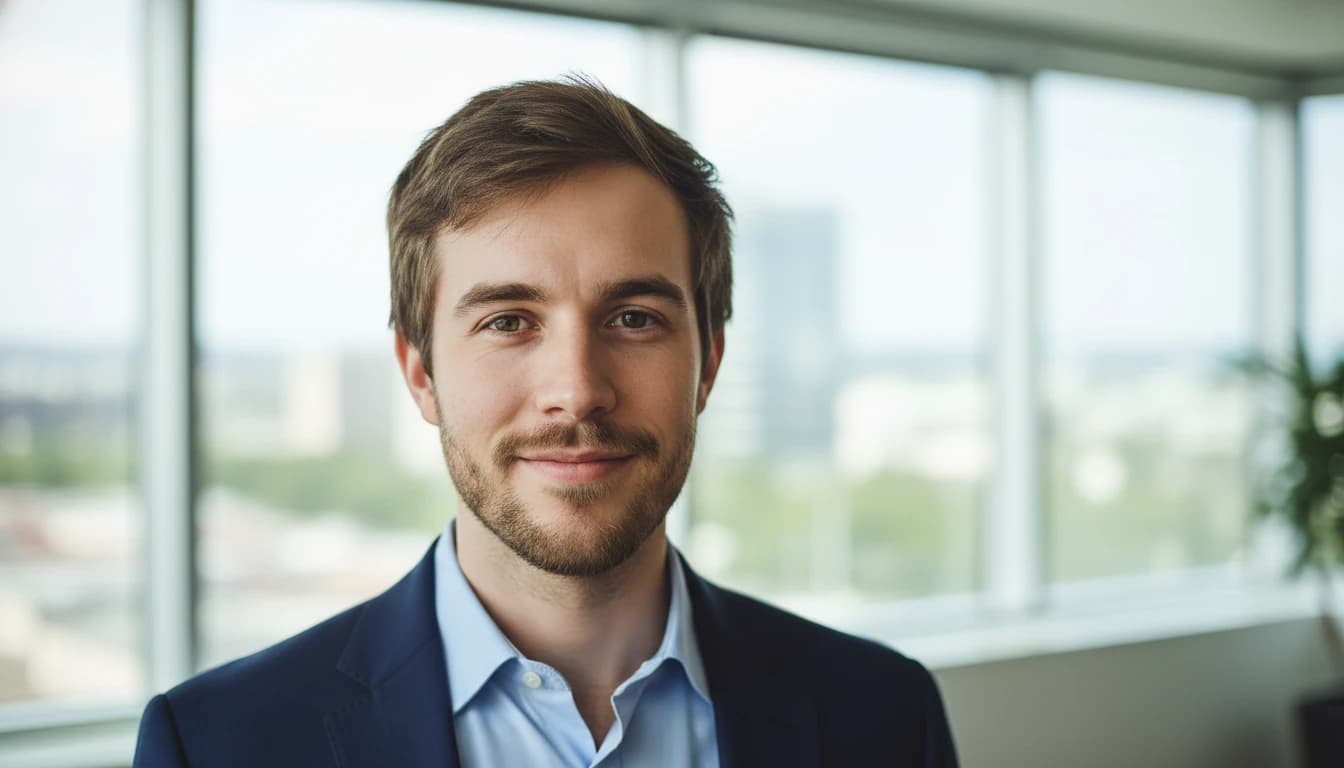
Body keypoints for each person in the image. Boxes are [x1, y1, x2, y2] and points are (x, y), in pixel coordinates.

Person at [131, 76, 958, 768]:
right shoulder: (217, 747)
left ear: (707, 364)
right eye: (508, 322)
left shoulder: (884, 717)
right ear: (420, 372)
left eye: (634, 318)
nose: (577, 391)